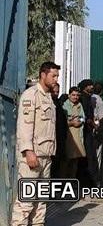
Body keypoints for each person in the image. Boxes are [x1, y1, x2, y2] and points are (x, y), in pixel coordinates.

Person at [11, 62, 60, 226]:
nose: (56, 79)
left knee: (41, 201)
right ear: (43, 74)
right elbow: (25, 125)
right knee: (26, 201)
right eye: (53, 76)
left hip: (46, 156)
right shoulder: (31, 95)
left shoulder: (48, 98)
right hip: (33, 156)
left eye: (57, 76)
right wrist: (28, 151)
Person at [61, 86, 86, 178]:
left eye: (77, 95)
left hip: (78, 136)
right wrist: (71, 122)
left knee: (75, 160)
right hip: (68, 136)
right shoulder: (65, 105)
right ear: (69, 95)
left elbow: (83, 117)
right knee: (66, 161)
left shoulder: (79, 105)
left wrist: (79, 121)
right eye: (73, 95)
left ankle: (72, 180)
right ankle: (63, 182)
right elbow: (62, 121)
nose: (75, 97)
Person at [79, 78, 99, 186]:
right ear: (85, 87)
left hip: (88, 131)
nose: (92, 87)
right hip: (85, 132)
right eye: (90, 85)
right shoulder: (83, 98)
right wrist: (94, 124)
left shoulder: (88, 98)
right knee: (88, 156)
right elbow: (86, 117)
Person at [51, 83, 67, 178]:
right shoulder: (49, 102)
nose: (56, 94)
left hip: (60, 139)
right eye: (54, 91)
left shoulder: (58, 103)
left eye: (57, 91)